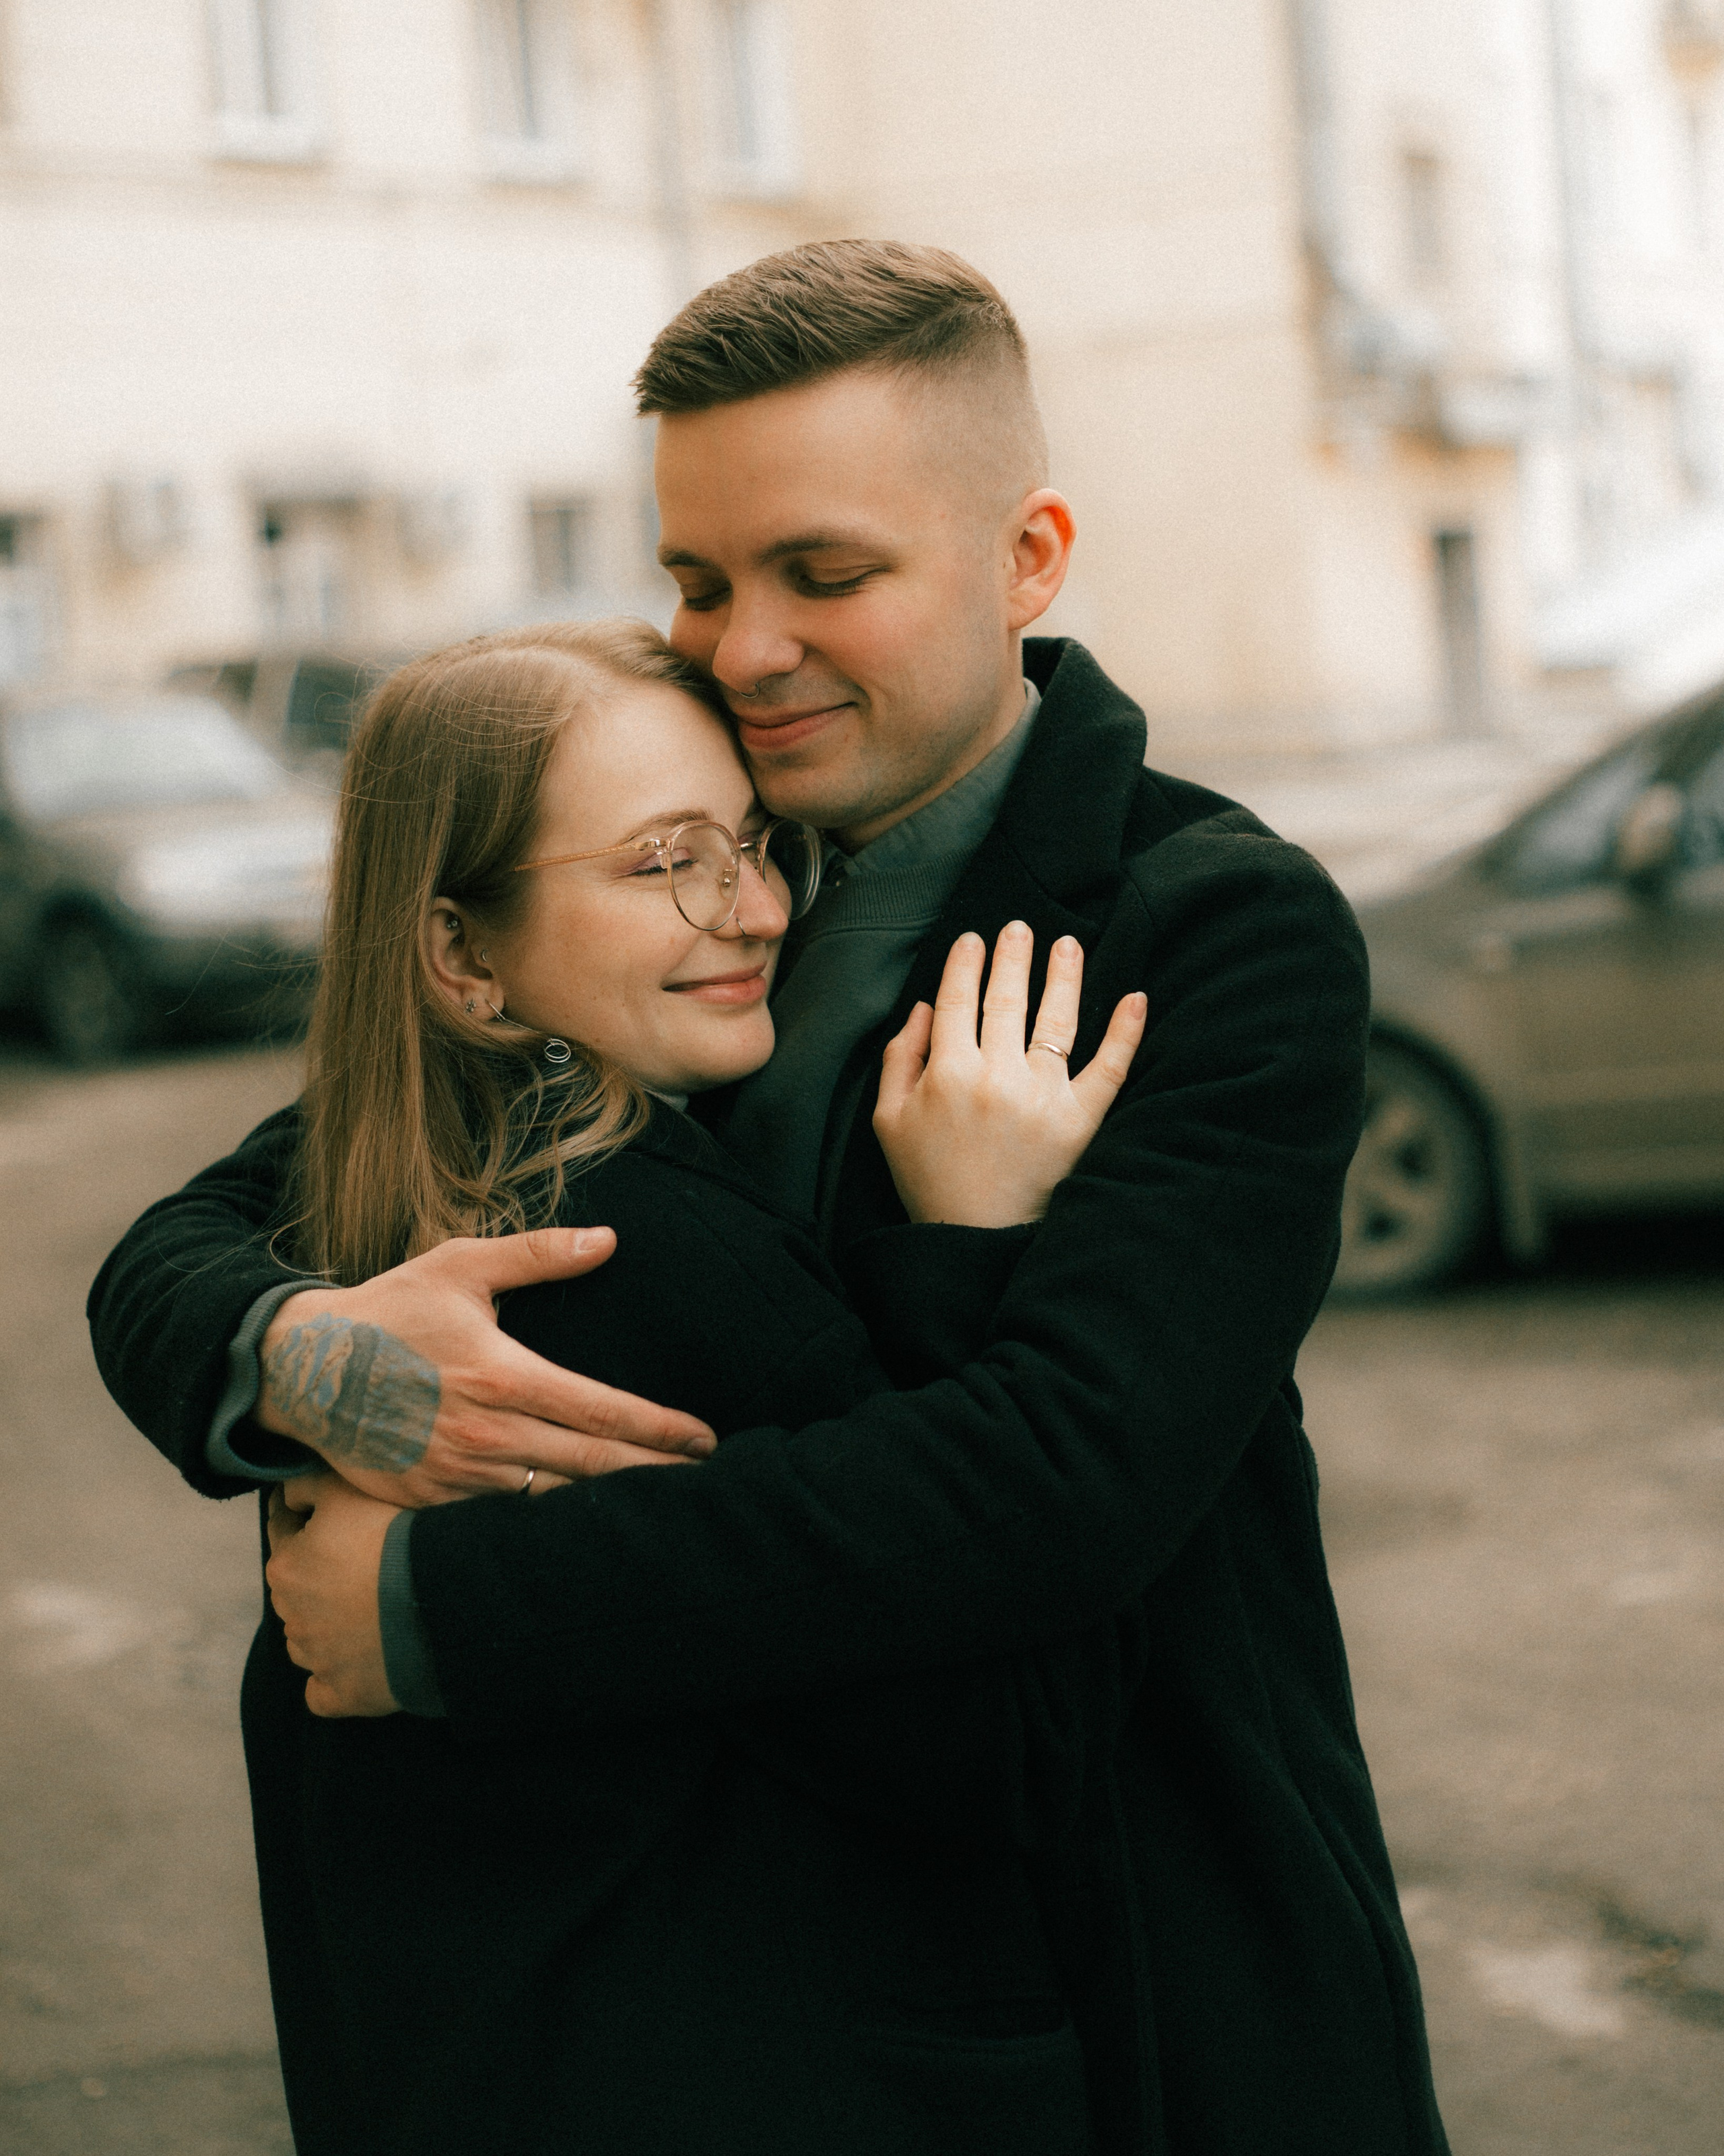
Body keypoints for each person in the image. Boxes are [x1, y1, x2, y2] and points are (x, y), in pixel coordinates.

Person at [90, 240, 1451, 2155]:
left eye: (824, 574)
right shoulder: (691, 870)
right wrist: (295, 1351)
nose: (741, 651)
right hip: (771, 1984)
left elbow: (1057, 1475)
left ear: (1026, 559)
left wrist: (439, 1601)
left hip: (1157, 1939)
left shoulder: (1209, 928)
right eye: (700, 579)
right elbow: (208, 1226)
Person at [202, 613, 1145, 2154]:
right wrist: (962, 1254)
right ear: (461, 953)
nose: (756, 907)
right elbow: (1005, 1737)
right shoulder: (650, 1253)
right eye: (664, 862)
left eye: (755, 843)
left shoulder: (348, 1246)